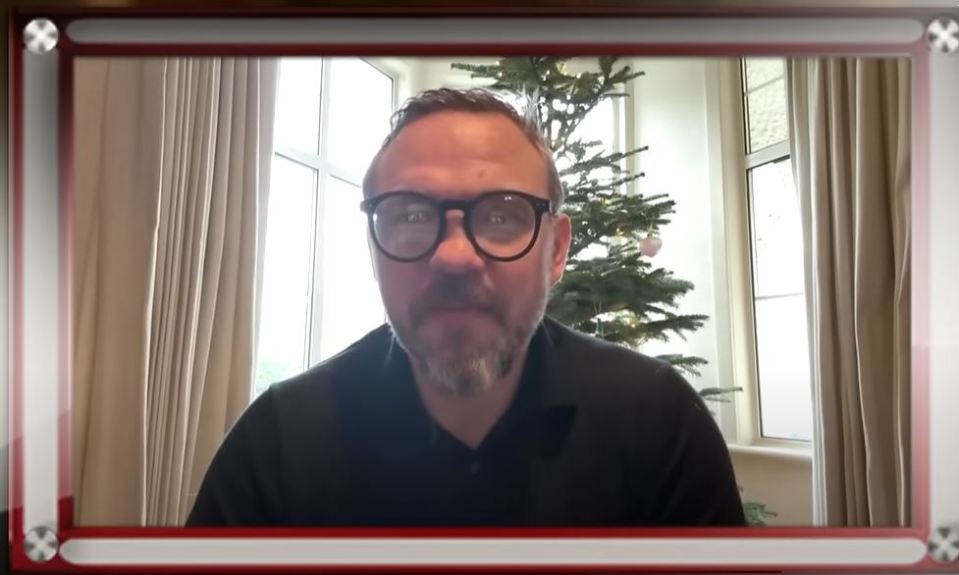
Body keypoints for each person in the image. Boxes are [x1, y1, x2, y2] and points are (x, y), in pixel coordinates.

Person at [187, 88, 746, 527]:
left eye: (502, 215)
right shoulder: (279, 442)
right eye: (408, 215)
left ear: (555, 250)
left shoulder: (659, 423)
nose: (454, 258)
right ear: (373, 249)